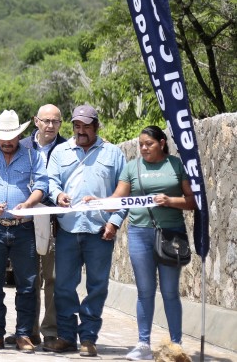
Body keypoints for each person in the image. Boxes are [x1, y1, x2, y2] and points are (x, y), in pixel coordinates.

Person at [44, 104, 126, 357]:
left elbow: (124, 192)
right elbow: (50, 182)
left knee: (97, 286)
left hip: (100, 231)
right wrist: (58, 195)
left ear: (96, 127)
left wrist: (114, 222)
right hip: (68, 228)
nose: (81, 131)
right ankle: (67, 337)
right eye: (77, 126)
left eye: (86, 127)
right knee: (64, 286)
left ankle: (88, 338)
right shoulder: (60, 152)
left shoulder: (114, 153)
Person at [111, 126, 196, 361]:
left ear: (161, 143)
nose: (144, 148)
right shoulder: (132, 167)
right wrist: (94, 202)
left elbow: (192, 201)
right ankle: (143, 344)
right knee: (144, 292)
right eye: (140, 144)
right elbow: (117, 199)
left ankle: (176, 346)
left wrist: (169, 201)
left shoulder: (176, 166)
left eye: (148, 143)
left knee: (170, 292)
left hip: (171, 235)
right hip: (140, 234)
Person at [0, 109, 47, 352]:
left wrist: (29, 203)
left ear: (19, 135)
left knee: (27, 283)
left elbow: (42, 185)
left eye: (11, 136)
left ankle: (23, 334)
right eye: (2, 136)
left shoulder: (33, 156)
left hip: (24, 229)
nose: (6, 141)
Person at [17, 103, 67, 348]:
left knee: (53, 278)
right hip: (26, 222)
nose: (50, 126)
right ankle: (28, 331)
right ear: (36, 121)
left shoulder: (69, 148)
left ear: (61, 123)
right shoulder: (21, 147)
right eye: (45, 121)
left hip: (56, 222)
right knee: (29, 278)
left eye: (55, 121)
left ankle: (50, 331)